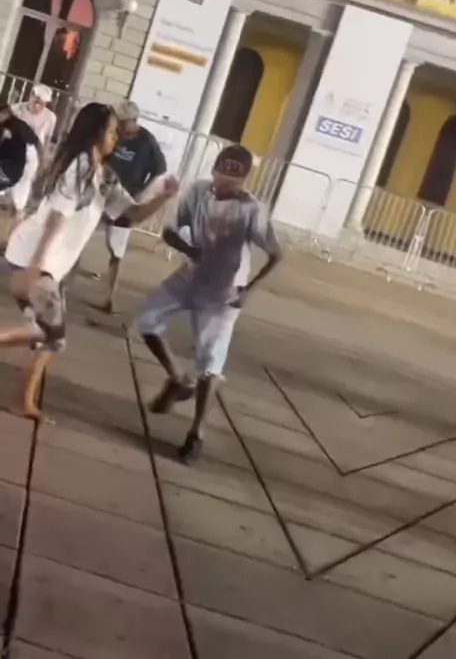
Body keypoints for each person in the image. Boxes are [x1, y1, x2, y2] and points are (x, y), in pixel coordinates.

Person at [2, 102, 178, 422]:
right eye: (111, 131)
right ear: (95, 132)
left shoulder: (104, 175)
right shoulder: (79, 166)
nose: (116, 138)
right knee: (51, 335)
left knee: (47, 335)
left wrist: (163, 197)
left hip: (48, 264)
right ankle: (22, 401)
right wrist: (36, 267)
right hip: (33, 257)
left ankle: (23, 400)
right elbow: (57, 216)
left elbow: (130, 215)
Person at [135, 144, 283, 463]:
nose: (223, 185)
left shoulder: (252, 209)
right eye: (219, 176)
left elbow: (276, 254)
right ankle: (178, 378)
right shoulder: (198, 192)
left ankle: (196, 433)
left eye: (232, 181)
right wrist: (190, 250)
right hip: (190, 276)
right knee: (148, 320)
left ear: (244, 180)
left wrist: (250, 289)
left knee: (210, 361)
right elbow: (169, 233)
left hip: (225, 290)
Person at [101, 100, 167, 313]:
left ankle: (110, 297)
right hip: (103, 190)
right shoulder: (114, 134)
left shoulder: (146, 141)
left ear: (134, 120)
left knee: (117, 249)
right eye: (118, 122)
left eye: (123, 122)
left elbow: (160, 168)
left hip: (125, 198)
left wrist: (143, 191)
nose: (120, 126)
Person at [6, 85, 57, 234]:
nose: (39, 105)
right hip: (13, 153)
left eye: (43, 103)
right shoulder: (17, 110)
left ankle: (11, 233)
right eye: (37, 100)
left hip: (31, 158)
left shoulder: (50, 118)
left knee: (21, 196)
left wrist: (44, 161)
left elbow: (46, 141)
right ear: (31, 95)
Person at [0, 104, 41, 201]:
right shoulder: (15, 125)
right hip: (13, 169)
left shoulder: (15, 125)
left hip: (13, 167)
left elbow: (35, 141)